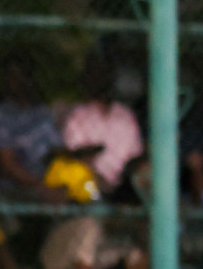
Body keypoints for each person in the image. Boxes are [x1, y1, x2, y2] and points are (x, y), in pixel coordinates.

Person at [0, 51, 65, 200]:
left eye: (24, 75)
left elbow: (57, 152)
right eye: (14, 76)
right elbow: (7, 165)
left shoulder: (43, 113)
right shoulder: (0, 115)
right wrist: (38, 184)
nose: (19, 81)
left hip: (48, 185)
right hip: (14, 190)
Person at [61, 54, 143, 195]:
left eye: (105, 75)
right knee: (78, 175)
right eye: (95, 75)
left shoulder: (125, 115)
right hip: (91, 183)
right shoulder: (78, 115)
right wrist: (100, 180)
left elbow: (135, 155)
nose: (101, 81)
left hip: (126, 183)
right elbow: (77, 155)